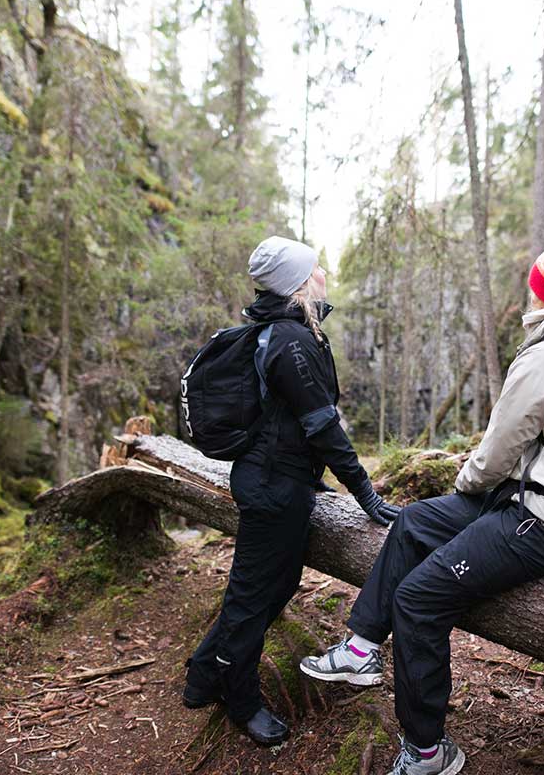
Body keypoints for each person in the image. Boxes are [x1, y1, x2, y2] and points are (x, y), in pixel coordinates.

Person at [301, 227, 544, 775]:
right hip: (539, 500)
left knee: (418, 602)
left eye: (536, 283)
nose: (531, 292)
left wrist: (465, 485)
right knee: (416, 519)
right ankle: (362, 646)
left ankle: (426, 753)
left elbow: (494, 456)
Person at [182, 235, 400, 746]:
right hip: (271, 490)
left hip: (279, 482)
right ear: (300, 283)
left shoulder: (286, 333)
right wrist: (364, 492)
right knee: (251, 598)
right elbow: (322, 426)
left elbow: (291, 422)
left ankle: (202, 674)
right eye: (315, 267)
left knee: (270, 589)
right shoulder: (292, 341)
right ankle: (240, 699)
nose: (323, 271)